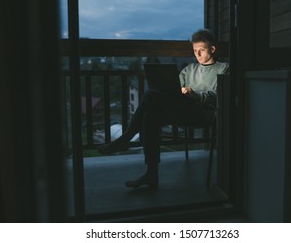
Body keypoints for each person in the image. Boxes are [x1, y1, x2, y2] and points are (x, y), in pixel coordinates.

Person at [98, 29, 229, 189]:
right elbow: (174, 88)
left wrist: (195, 94)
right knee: (150, 117)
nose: (198, 54)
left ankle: (126, 138)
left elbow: (218, 96)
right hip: (183, 109)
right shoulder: (189, 70)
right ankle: (151, 174)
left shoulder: (223, 69)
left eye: (201, 50)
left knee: (151, 95)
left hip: (203, 113)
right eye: (195, 50)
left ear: (212, 49)